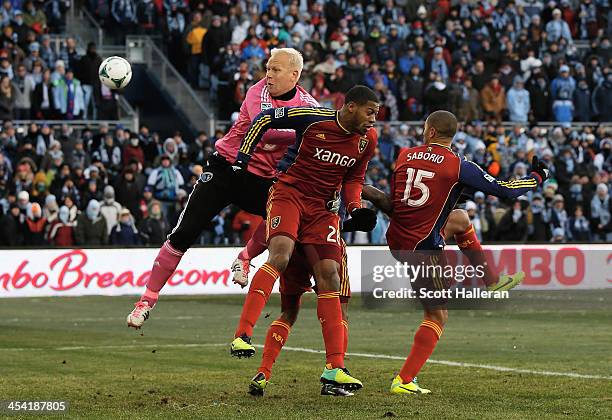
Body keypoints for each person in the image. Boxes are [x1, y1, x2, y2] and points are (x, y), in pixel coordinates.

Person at [126, 48, 319, 327]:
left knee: (285, 222)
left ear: (295, 74)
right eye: (267, 68)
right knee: (184, 233)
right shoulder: (258, 92)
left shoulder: (310, 104)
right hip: (227, 169)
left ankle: (244, 257)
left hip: (263, 180)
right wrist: (305, 126)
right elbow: (268, 128)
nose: (268, 75)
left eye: (275, 70)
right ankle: (146, 300)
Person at [360, 110, 548, 394]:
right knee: (437, 316)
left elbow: (399, 204)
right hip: (422, 248)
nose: (423, 132)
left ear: (431, 132)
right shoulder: (459, 165)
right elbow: (507, 191)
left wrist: (366, 191)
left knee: (459, 219)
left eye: (425, 128)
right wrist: (536, 177)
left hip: (398, 236)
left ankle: (491, 280)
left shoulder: (405, 155)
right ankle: (404, 380)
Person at [231, 85, 380, 395]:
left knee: (330, 277)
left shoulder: (368, 141)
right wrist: (243, 157)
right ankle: (243, 333)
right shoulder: (313, 118)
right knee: (281, 255)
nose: (373, 120)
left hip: (323, 210)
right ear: (350, 106)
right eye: (370, 112)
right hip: (290, 194)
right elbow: (264, 119)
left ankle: (335, 368)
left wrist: (356, 208)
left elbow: (353, 179)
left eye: (376, 115)